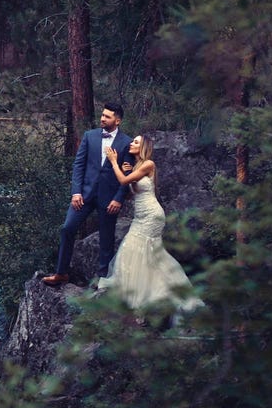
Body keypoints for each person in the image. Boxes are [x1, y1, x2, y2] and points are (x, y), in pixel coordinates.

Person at [96, 134, 204, 311]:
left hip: (152, 215)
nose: (132, 143)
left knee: (141, 250)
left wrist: (114, 162)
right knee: (137, 252)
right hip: (140, 216)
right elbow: (131, 193)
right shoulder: (137, 166)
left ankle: (160, 294)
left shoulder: (148, 164)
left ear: (143, 147)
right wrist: (126, 172)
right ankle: (142, 291)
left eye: (136, 142)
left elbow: (123, 181)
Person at [42, 102, 134, 286]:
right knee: (67, 228)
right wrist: (75, 192)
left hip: (109, 198)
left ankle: (103, 280)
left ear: (117, 120)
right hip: (83, 195)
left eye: (107, 116)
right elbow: (78, 165)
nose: (102, 118)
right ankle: (61, 272)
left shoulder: (127, 142)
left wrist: (118, 198)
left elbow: (128, 173)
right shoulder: (89, 136)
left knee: (107, 238)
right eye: (102, 115)